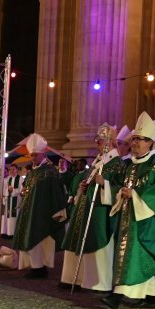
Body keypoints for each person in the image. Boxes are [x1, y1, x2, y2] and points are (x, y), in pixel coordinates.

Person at [100, 114, 155, 309]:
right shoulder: (128, 164)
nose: (134, 143)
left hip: (148, 219)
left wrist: (135, 194)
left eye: (139, 139)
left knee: (136, 255)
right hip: (127, 216)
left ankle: (116, 297)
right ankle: (150, 297)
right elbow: (118, 185)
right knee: (134, 256)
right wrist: (114, 189)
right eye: (133, 139)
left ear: (150, 143)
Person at [61, 125, 119, 291]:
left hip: (102, 212)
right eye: (98, 142)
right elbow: (90, 182)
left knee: (99, 248)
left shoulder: (116, 164)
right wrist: (84, 186)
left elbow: (118, 187)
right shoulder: (98, 163)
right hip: (87, 209)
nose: (97, 145)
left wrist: (104, 184)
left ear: (110, 144)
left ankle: (100, 283)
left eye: (100, 142)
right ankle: (84, 280)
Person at [12, 136, 68, 278]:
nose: (33, 157)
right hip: (30, 211)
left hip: (43, 213)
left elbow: (56, 192)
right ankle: (34, 266)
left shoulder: (50, 172)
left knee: (40, 239)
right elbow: (28, 188)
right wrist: (25, 191)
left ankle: (39, 268)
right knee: (30, 237)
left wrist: (57, 212)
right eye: (31, 155)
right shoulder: (33, 172)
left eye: (35, 155)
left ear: (43, 153)